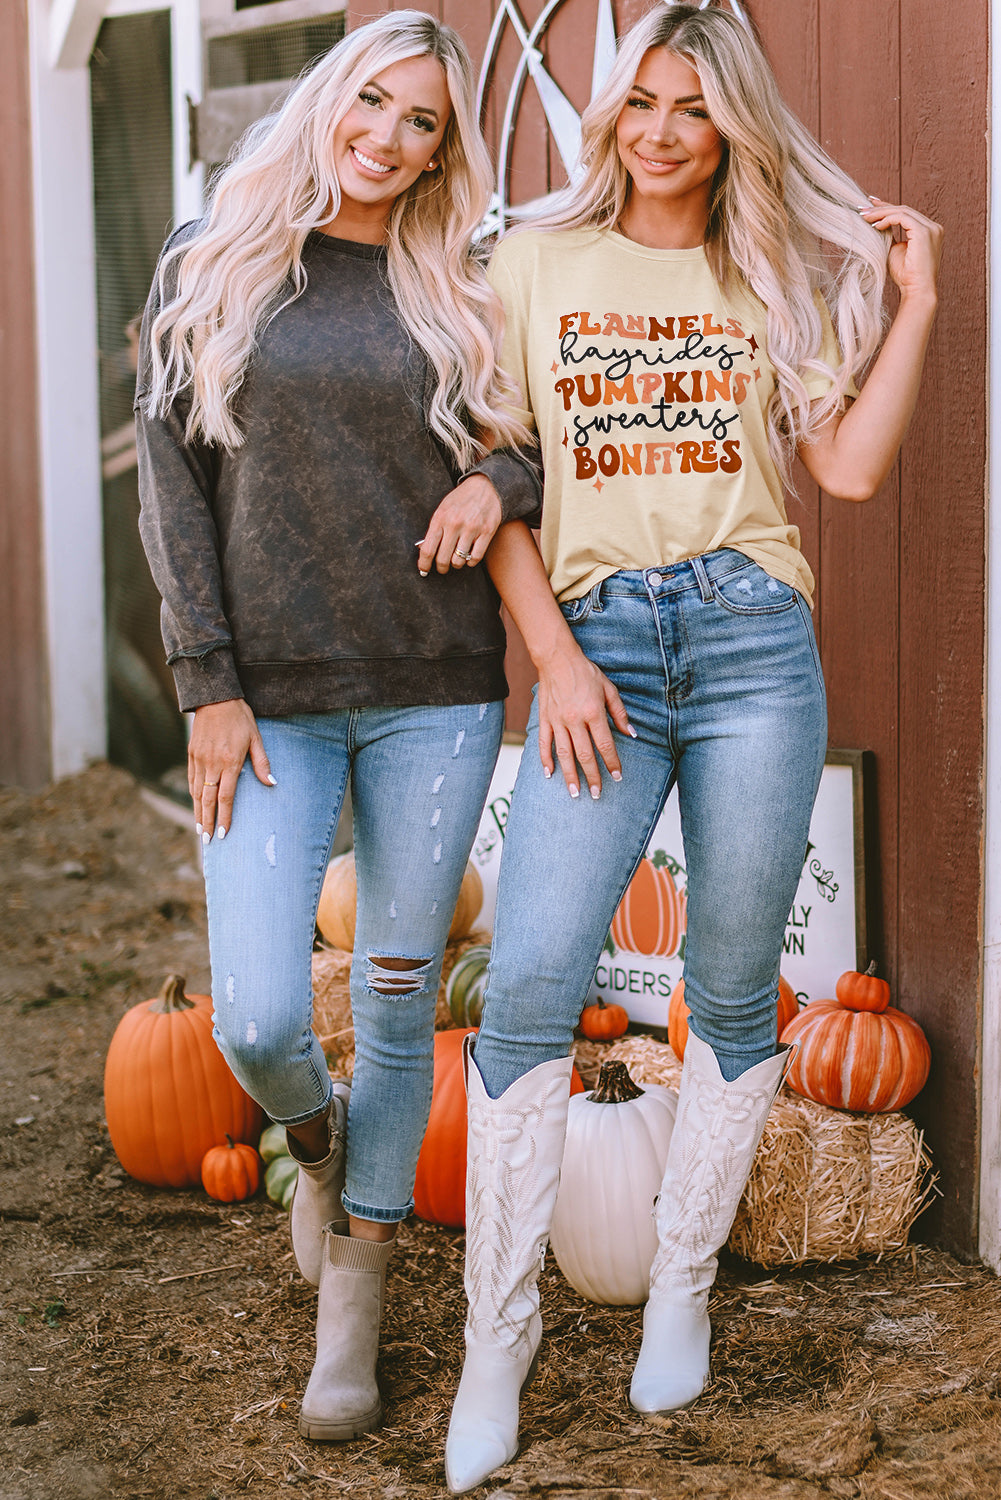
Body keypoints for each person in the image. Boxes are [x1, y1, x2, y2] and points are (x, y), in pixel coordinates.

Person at [443, 4, 943, 1491]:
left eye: (690, 107)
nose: (659, 130)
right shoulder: (530, 261)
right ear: (609, 115)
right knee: (529, 987)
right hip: (595, 647)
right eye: (640, 102)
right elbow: (502, 483)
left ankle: (679, 1288)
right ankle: (498, 1341)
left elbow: (843, 470)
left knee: (731, 988)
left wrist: (915, 304)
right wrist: (553, 661)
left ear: (729, 123)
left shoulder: (764, 268)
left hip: (746, 648)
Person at [134, 10, 540, 1445]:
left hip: (433, 691)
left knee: (390, 1006)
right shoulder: (211, 262)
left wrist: (503, 481)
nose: (388, 135)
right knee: (253, 1016)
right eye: (370, 102)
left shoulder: (460, 282)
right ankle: (313, 1153)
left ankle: (353, 1304)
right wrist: (207, 682)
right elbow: (172, 494)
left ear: (443, 149)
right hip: (267, 706)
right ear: (326, 99)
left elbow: (537, 429)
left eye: (421, 122)